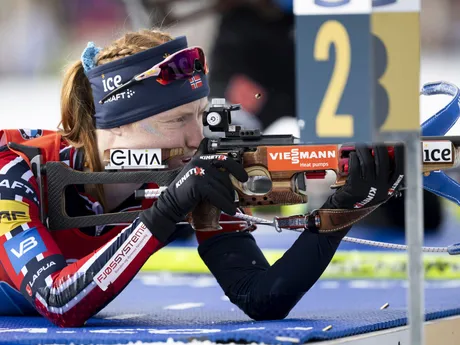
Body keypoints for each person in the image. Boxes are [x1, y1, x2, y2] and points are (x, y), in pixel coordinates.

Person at [0, 28, 404, 327]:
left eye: (200, 114)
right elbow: (59, 301)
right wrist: (164, 212)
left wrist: (344, 210)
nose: (197, 137)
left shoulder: (186, 169)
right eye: (176, 119)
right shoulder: (14, 168)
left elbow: (260, 297)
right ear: (116, 127)